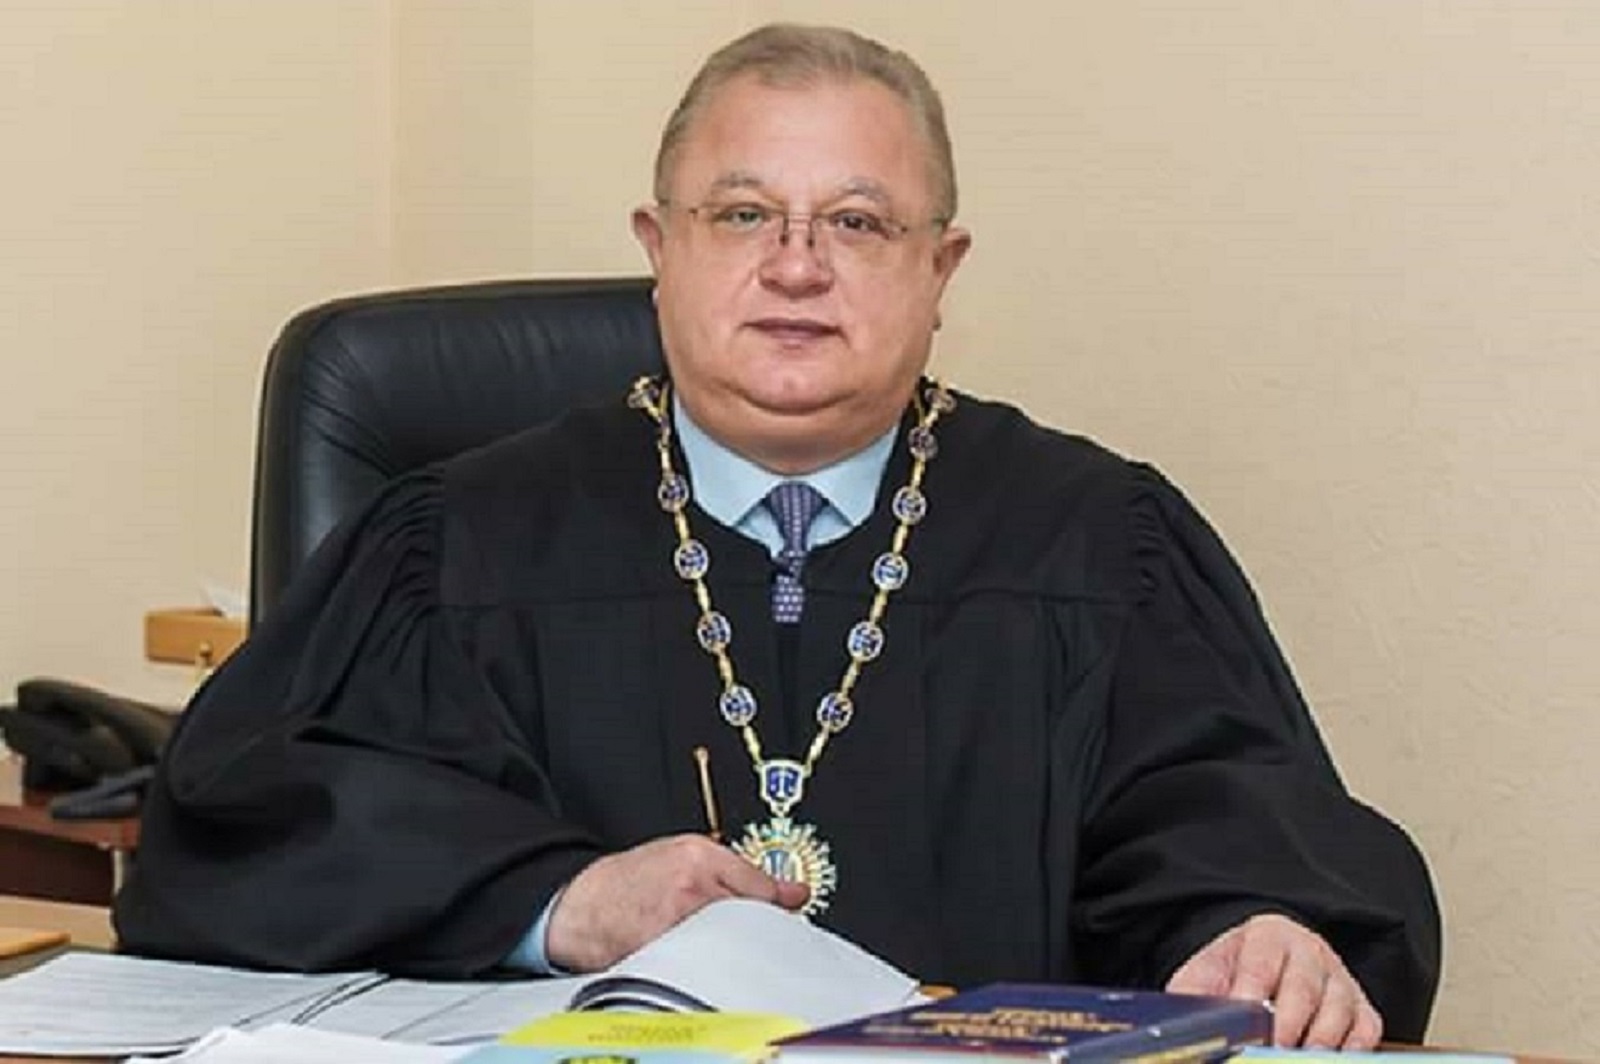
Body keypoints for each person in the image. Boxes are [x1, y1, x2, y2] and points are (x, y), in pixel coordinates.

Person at [113, 23, 1440, 1050]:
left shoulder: (1098, 543)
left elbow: (1225, 818)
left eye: (857, 223)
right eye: (743, 214)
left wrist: (1259, 930)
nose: (796, 266)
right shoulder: (459, 541)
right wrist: (558, 906)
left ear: (940, 268)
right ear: (660, 246)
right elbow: (244, 831)